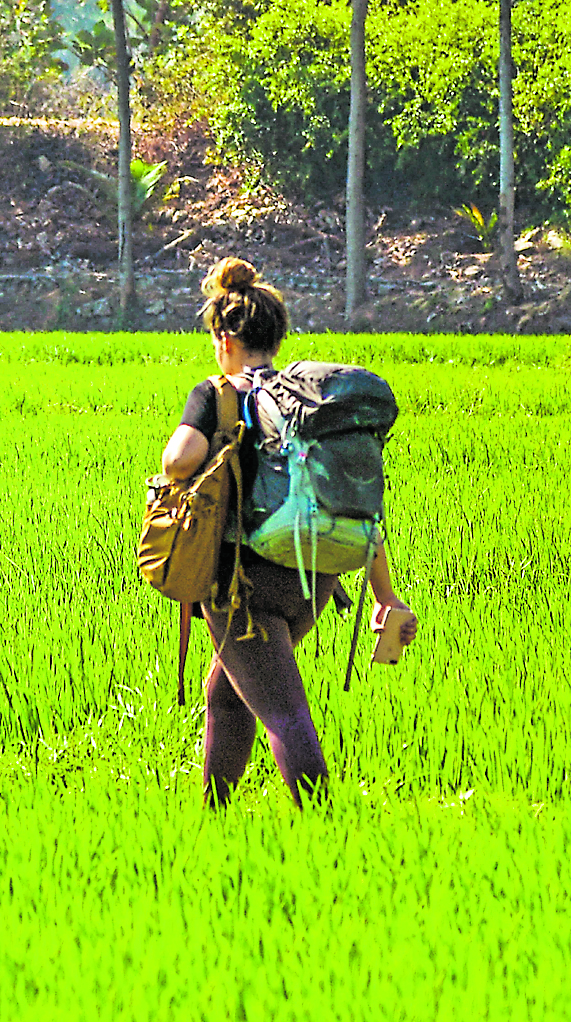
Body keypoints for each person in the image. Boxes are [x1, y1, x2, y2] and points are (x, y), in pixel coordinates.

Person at [160, 257, 419, 807]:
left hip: (243, 588)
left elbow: (180, 460)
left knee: (282, 709)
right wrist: (385, 596)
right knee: (227, 694)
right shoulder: (302, 404)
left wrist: (188, 457)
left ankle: (324, 830)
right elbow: (351, 505)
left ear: (224, 337)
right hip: (315, 580)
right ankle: (214, 819)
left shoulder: (218, 394)